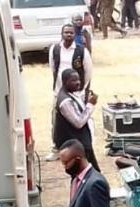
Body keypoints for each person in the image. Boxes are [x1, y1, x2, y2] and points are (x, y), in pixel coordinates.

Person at [47, 23, 93, 162]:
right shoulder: (55, 49)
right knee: (56, 122)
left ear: (75, 35)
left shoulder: (81, 51)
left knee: (78, 122)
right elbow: (53, 68)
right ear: (62, 34)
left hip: (76, 94)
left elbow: (88, 71)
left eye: (71, 33)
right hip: (59, 92)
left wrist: (81, 90)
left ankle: (80, 149)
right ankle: (56, 149)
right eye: (66, 32)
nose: (68, 35)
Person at [54, 69, 100, 172]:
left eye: (78, 79)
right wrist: (90, 105)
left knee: (86, 174)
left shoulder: (71, 94)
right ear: (65, 82)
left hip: (81, 143)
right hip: (77, 147)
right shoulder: (65, 101)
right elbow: (78, 122)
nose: (78, 82)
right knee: (89, 174)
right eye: (73, 80)